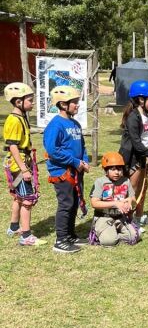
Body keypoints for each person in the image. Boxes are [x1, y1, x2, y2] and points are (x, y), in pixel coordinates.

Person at [43, 85, 90, 254]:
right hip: (62, 172)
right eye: (74, 102)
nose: (78, 105)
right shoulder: (56, 125)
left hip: (77, 170)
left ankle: (70, 235)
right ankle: (61, 240)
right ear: (63, 104)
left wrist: (84, 161)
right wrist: (74, 161)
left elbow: (82, 146)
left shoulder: (75, 124)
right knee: (66, 204)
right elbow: (52, 150)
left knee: (74, 202)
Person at [119, 80, 148, 228]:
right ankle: (128, 220)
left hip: (143, 156)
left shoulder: (146, 115)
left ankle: (139, 217)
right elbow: (137, 144)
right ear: (141, 99)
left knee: (143, 187)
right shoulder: (133, 117)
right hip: (133, 157)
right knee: (132, 189)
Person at [3, 82, 45, 246]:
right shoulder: (14, 120)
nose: (33, 103)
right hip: (18, 164)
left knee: (19, 197)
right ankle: (26, 236)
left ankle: (14, 227)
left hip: (20, 162)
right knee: (27, 199)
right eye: (30, 100)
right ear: (18, 101)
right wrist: (24, 169)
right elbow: (13, 146)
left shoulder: (20, 117)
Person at [89, 152, 139, 246]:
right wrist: (115, 203)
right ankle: (102, 233)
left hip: (120, 217)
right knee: (108, 241)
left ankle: (114, 234)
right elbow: (94, 203)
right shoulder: (100, 182)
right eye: (113, 169)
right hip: (104, 217)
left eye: (119, 169)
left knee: (134, 237)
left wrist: (130, 201)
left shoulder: (126, 181)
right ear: (106, 170)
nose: (117, 172)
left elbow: (133, 199)